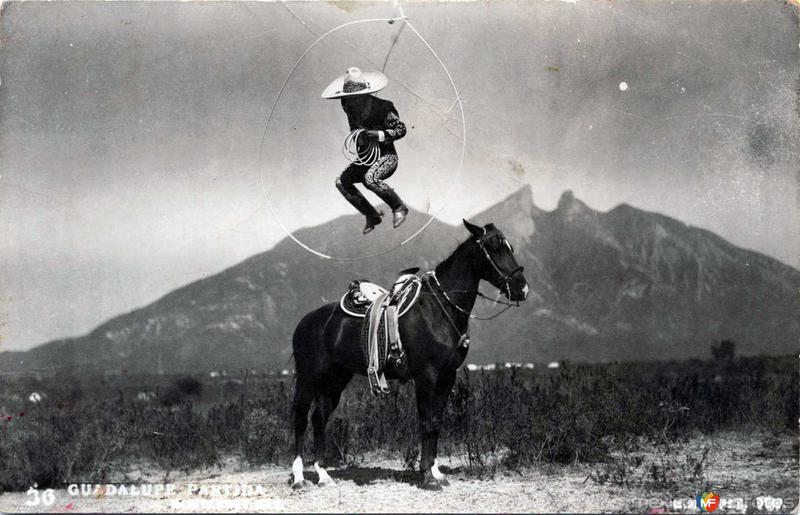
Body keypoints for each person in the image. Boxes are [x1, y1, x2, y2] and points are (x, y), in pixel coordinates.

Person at [322, 67, 409, 234]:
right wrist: (360, 138)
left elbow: (401, 129)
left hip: (387, 156)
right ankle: (371, 215)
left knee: (370, 179)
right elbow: (354, 130)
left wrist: (379, 135)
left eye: (355, 97)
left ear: (364, 94)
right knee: (342, 181)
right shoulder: (347, 106)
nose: (350, 101)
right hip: (366, 158)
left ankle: (399, 207)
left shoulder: (383, 107)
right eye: (348, 98)